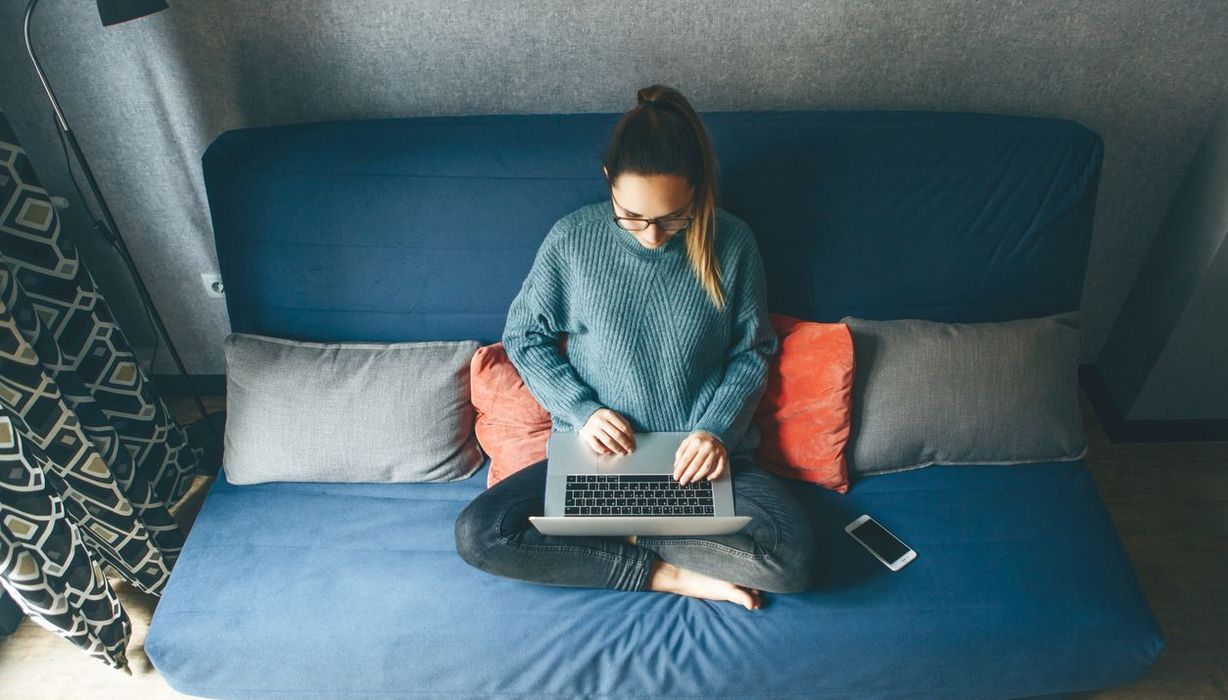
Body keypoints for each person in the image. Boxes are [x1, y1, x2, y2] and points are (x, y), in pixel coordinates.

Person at [453, 84, 817, 611]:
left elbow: (751, 352)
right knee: (479, 533)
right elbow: (524, 337)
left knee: (794, 559)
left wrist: (715, 432)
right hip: (598, 459)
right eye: (632, 217)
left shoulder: (733, 243)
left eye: (672, 218)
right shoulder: (572, 240)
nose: (650, 236)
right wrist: (582, 412)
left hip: (698, 465)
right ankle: (665, 573)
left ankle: (617, 535)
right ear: (609, 183)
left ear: (698, 190)